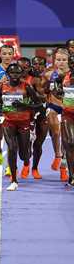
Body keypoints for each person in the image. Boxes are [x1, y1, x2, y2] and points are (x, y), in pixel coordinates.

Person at [0, 64, 42, 191]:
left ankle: (27, 155)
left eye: (17, 73)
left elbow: (39, 105)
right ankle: (14, 180)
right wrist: (0, 112)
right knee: (12, 147)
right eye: (12, 73)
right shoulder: (2, 86)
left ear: (21, 74)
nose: (15, 75)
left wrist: (24, 106)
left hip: (24, 122)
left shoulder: (26, 86)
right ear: (7, 74)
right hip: (8, 122)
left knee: (24, 155)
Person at [44, 48, 70, 181]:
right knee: (55, 132)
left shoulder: (71, 74)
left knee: (67, 139)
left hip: (68, 108)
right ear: (54, 60)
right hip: (53, 106)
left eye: (64, 60)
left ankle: (63, 165)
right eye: (58, 60)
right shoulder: (49, 74)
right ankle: (57, 155)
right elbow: (42, 89)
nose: (61, 62)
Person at [61, 54, 74, 185]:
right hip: (68, 114)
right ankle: (72, 175)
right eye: (71, 63)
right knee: (70, 142)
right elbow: (56, 91)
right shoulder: (62, 76)